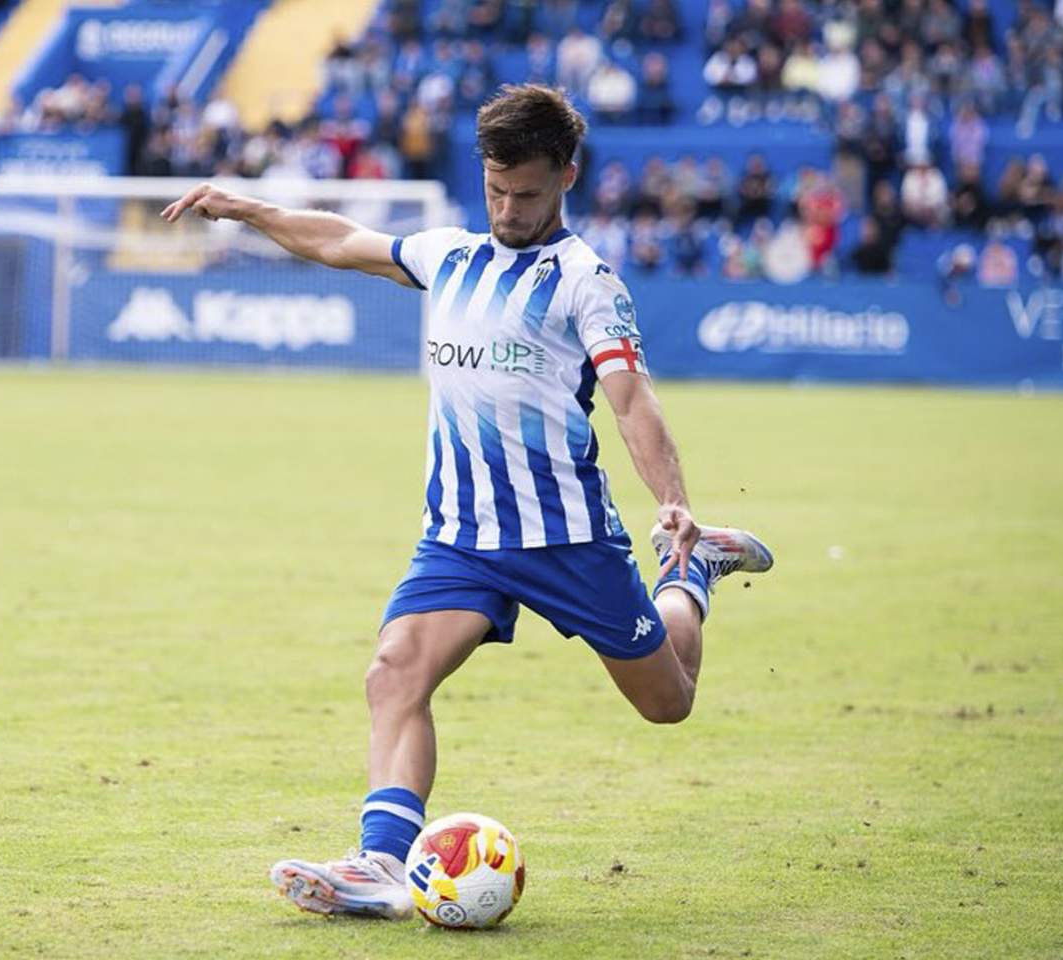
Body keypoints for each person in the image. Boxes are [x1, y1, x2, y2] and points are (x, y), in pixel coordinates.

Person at [161, 84, 774, 920]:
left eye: (524, 193)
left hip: (565, 538)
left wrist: (672, 504)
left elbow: (630, 399)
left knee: (668, 702)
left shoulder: (585, 282)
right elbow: (340, 239)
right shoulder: (449, 255)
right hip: (457, 537)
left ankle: (693, 572)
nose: (507, 208)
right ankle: (380, 863)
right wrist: (244, 208)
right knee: (392, 673)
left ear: (566, 175)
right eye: (494, 189)